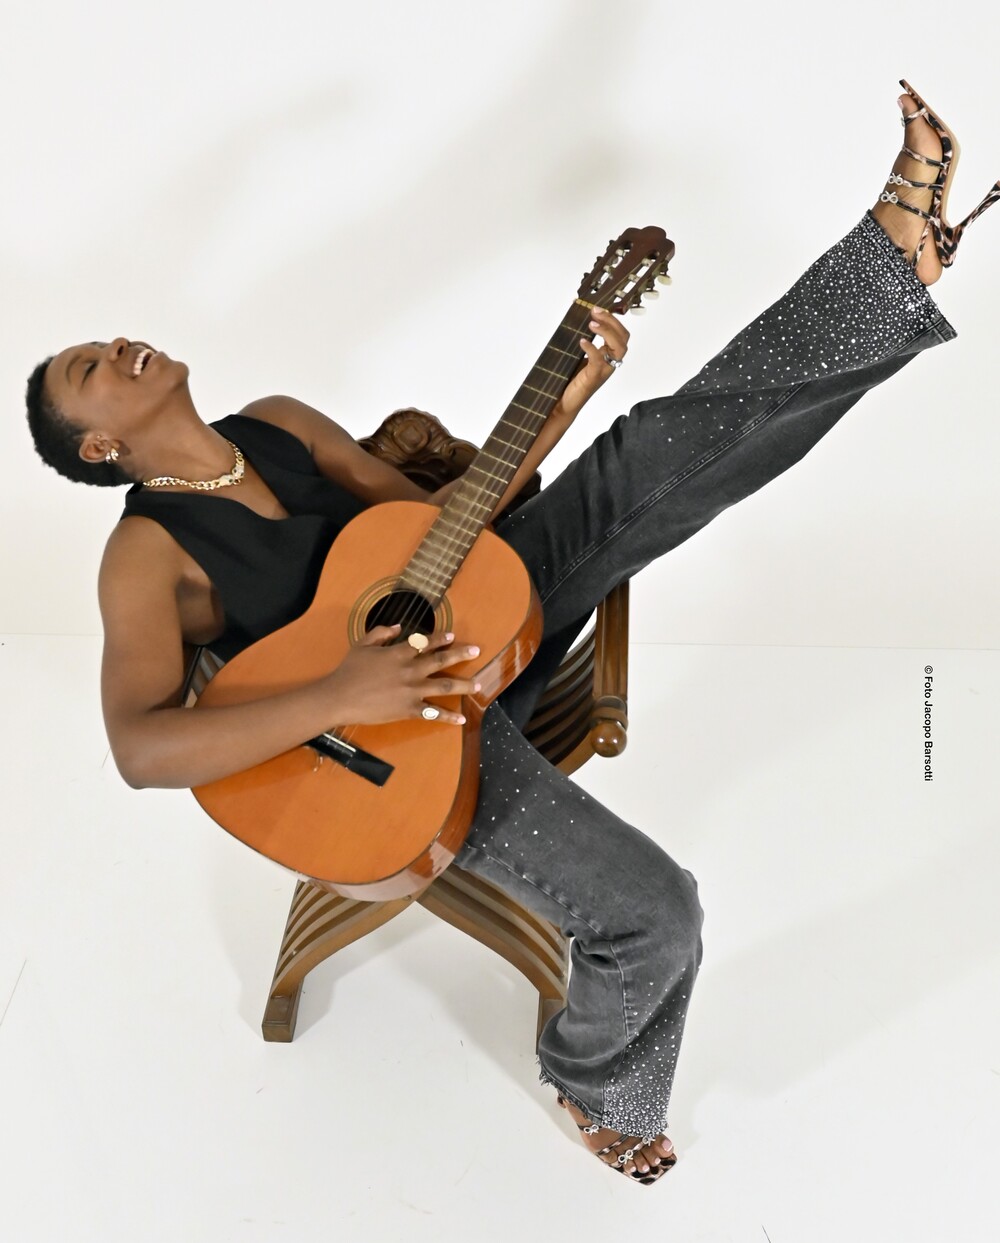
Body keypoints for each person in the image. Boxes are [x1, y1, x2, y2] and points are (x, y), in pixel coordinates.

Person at [25, 82, 999, 1185]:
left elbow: (433, 524)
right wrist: (343, 693)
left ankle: (890, 264)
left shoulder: (278, 424)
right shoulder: (145, 554)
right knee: (657, 914)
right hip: (394, 754)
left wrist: (565, 403)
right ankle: (598, 1084)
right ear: (98, 447)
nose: (120, 346)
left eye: (107, 339)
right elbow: (140, 746)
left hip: (470, 626)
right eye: (91, 368)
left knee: (657, 447)